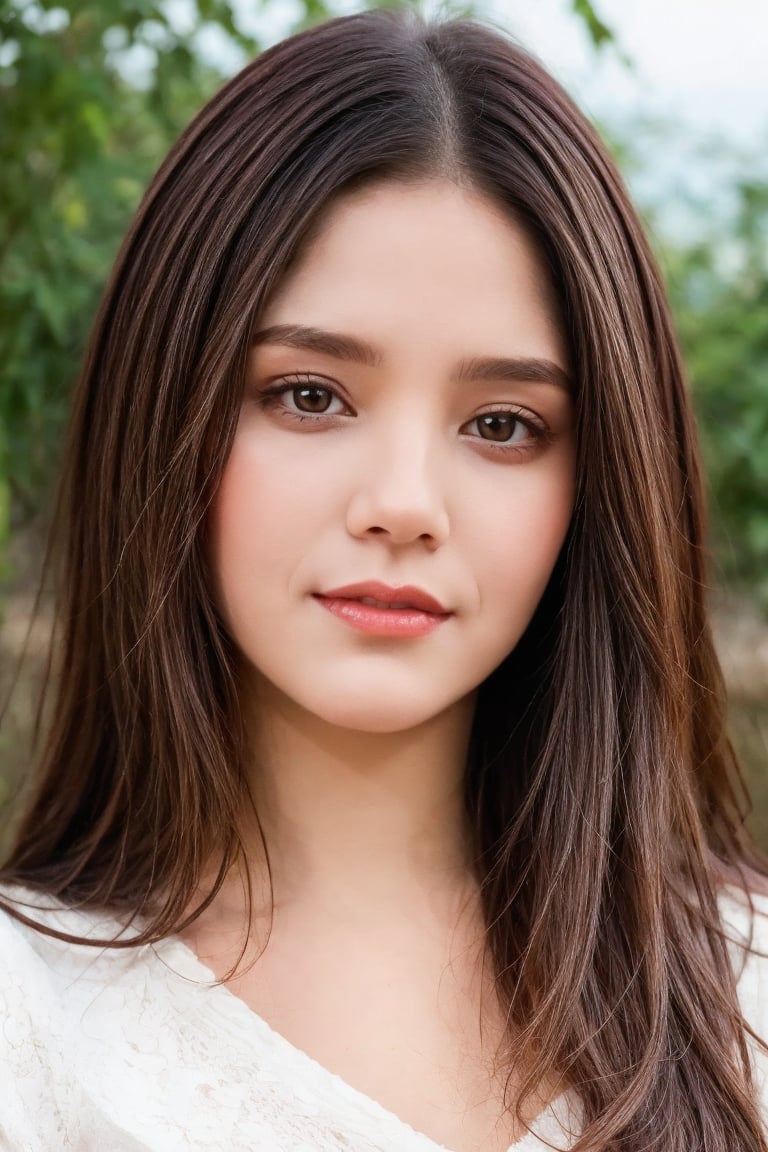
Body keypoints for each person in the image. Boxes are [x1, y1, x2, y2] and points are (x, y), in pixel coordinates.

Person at [0, 8, 766, 1151]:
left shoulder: (741, 994)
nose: (404, 503)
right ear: (165, 406)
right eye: (309, 395)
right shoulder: (31, 1018)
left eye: (502, 424)